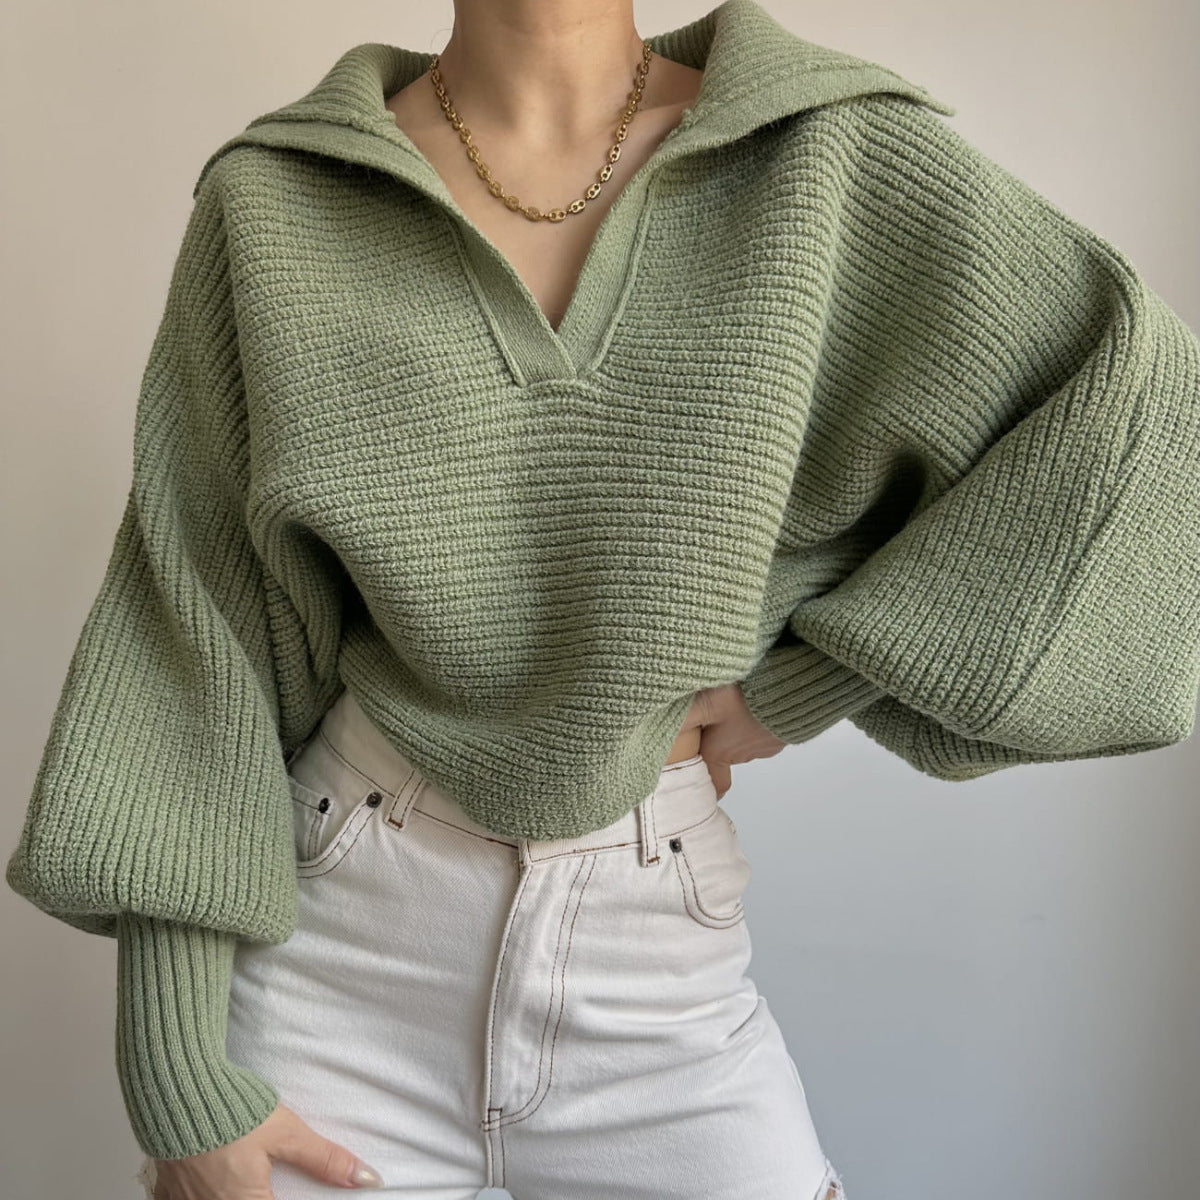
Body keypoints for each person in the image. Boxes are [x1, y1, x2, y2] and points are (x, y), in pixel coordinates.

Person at [7, 0, 1198, 1197]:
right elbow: (192, 623)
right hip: (339, 955)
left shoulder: (826, 156)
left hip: (654, 958)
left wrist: (815, 677)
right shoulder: (279, 200)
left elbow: (1138, 429)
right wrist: (176, 1070)